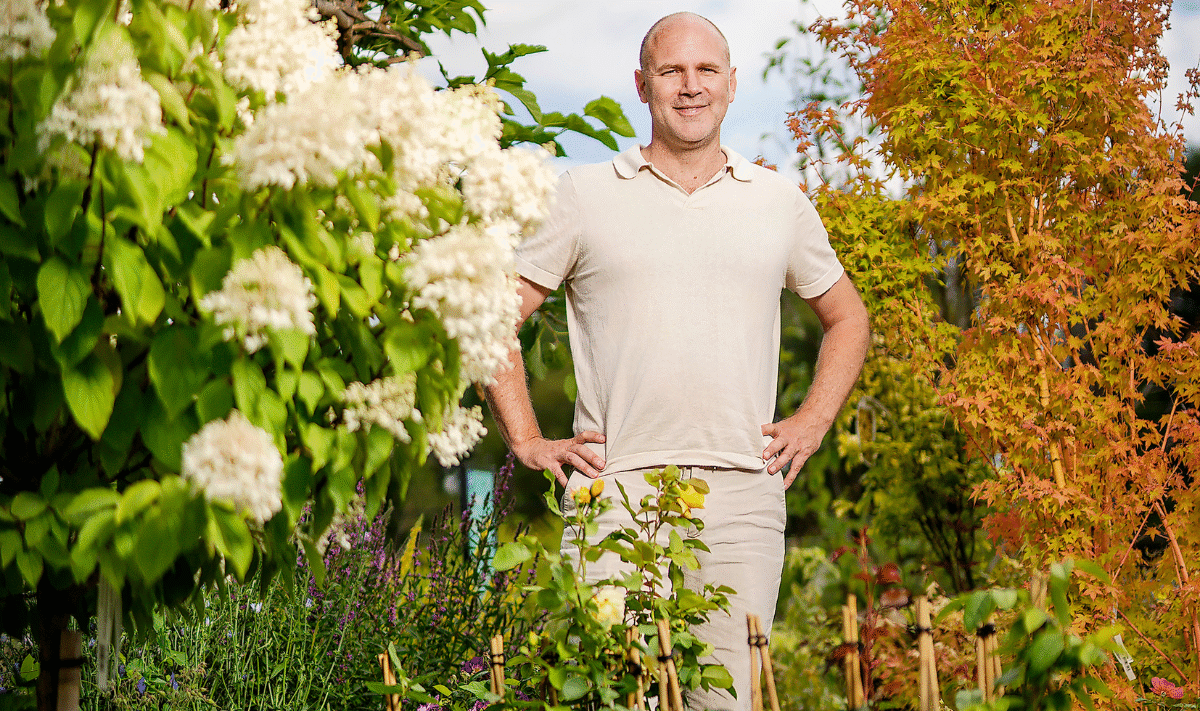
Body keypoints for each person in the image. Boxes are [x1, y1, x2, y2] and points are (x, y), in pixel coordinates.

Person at [484, 11, 870, 710]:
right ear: (642, 85)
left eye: (706, 70)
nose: (690, 86)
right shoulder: (583, 195)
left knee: (723, 702)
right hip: (613, 493)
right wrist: (527, 439)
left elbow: (848, 317)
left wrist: (812, 421)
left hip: (743, 498)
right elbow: (490, 315)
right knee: (614, 697)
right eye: (671, 71)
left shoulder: (777, 201)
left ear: (731, 83)